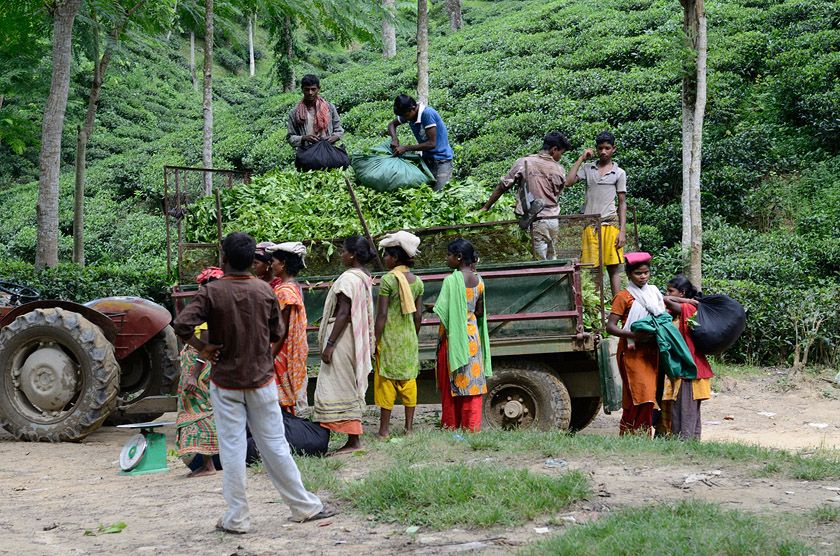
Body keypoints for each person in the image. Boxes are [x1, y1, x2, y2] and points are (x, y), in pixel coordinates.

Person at [173, 232, 335, 535]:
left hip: (225, 382)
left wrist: (203, 348)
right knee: (275, 444)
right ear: (252, 260)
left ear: (224, 257)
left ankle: (237, 518)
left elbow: (181, 325)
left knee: (232, 449)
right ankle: (304, 506)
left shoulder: (211, 293)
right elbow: (277, 333)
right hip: (261, 380)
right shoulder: (265, 290)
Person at [313, 236, 376, 454]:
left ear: (353, 254)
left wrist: (330, 344)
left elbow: (343, 313)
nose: (342, 255)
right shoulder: (364, 276)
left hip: (342, 338)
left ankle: (352, 440)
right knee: (346, 383)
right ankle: (345, 437)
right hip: (352, 338)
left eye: (344, 251)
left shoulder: (349, 278)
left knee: (336, 384)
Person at [478, 131, 573, 259]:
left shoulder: (524, 162)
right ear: (554, 150)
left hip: (536, 220)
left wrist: (485, 207)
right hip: (553, 220)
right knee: (551, 258)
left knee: (539, 260)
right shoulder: (560, 169)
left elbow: (503, 186)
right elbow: (553, 195)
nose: (560, 157)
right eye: (561, 153)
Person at [431, 239, 491, 432]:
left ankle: (451, 425)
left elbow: (444, 311)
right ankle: (471, 427)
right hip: (473, 338)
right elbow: (479, 312)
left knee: (453, 383)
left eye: (449, 255)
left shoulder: (451, 280)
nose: (446, 258)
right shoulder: (479, 281)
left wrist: (433, 308)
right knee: (472, 383)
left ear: (459, 257)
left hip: (454, 339)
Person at [373, 231, 424, 440]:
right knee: (409, 382)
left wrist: (374, 340)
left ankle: (384, 431)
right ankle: (409, 429)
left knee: (386, 383)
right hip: (409, 339)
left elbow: (382, 314)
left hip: (389, 339)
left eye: (387, 255)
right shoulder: (418, 282)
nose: (385, 259)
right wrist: (413, 336)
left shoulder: (388, 280)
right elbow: (418, 316)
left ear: (395, 257)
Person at [605, 252, 661, 436]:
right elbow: (610, 327)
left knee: (647, 394)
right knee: (639, 393)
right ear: (629, 274)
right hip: (632, 351)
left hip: (651, 351)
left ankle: (639, 434)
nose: (643, 277)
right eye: (638, 273)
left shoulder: (653, 292)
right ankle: (632, 433)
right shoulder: (623, 297)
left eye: (646, 272)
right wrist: (635, 335)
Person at [565, 131, 627, 299]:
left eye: (607, 148)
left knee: (613, 268)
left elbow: (622, 203)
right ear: (596, 149)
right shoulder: (588, 168)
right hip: (590, 225)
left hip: (610, 224)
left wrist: (622, 231)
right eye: (600, 148)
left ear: (613, 149)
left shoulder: (619, 173)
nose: (603, 152)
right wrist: (581, 158)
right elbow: (568, 182)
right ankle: (596, 308)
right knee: (592, 269)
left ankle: (618, 307)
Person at [176, 266, 224, 478]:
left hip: (199, 365)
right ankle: (208, 463)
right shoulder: (219, 307)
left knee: (201, 411)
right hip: (201, 363)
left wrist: (194, 374)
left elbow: (205, 344)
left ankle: (208, 465)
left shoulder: (208, 309)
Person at [662, 275, 714, 440]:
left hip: (690, 369)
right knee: (687, 410)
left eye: (671, 291)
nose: (667, 293)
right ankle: (689, 443)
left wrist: (686, 301)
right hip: (686, 367)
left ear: (682, 293)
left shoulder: (689, 308)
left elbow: (663, 300)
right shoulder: (680, 309)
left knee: (685, 411)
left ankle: (684, 443)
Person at [267, 242, 310, 414]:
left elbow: (281, 329)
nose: (271, 265)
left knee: (278, 398)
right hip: (283, 350)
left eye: (274, 261)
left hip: (280, 351)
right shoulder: (293, 287)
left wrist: (270, 355)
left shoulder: (284, 292)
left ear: (283, 264)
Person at [387, 94, 454, 192]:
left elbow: (432, 144)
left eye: (405, 116)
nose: (404, 119)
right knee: (423, 190)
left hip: (442, 160)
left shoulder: (427, 114)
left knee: (440, 192)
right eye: (402, 116)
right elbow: (391, 124)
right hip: (427, 160)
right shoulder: (409, 115)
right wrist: (394, 138)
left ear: (413, 108)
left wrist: (406, 148)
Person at [286, 74, 344, 149]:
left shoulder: (329, 108)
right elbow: (290, 137)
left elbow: (339, 130)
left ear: (318, 89)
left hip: (328, 150)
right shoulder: (294, 113)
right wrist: (304, 138)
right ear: (302, 89)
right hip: (307, 152)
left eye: (313, 89)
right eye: (307, 89)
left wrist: (333, 138)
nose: (310, 93)